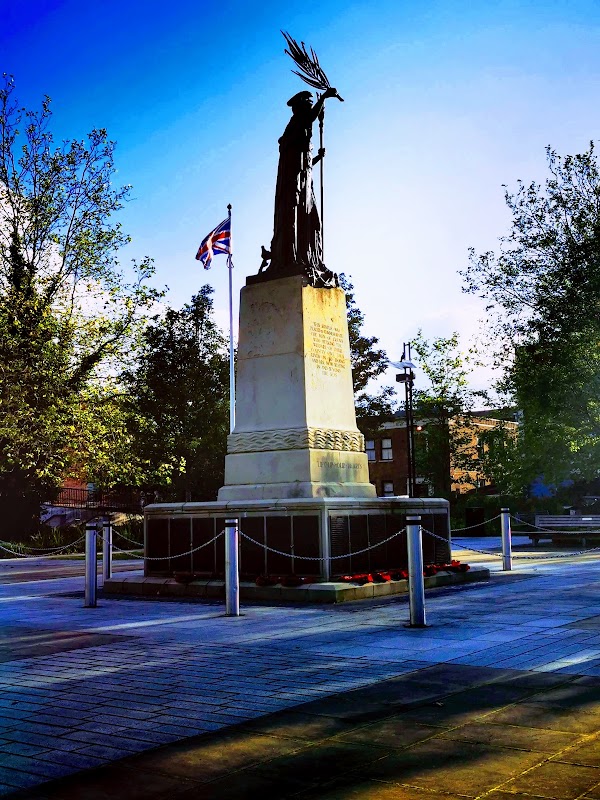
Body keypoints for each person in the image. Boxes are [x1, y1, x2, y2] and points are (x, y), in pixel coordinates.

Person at [260, 87, 340, 287]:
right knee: (294, 219)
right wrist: (324, 97)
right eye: (308, 101)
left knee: (312, 221)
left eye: (312, 102)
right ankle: (290, 256)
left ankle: (309, 257)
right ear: (299, 106)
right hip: (293, 186)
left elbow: (302, 162)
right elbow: (310, 118)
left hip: (305, 184)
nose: (311, 104)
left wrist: (317, 158)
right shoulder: (296, 124)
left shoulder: (300, 128)